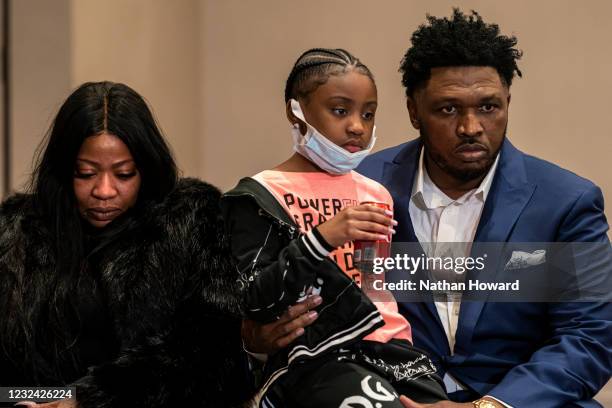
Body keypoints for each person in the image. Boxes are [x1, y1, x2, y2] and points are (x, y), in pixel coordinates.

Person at [355, 9, 612, 408]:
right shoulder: (364, 187)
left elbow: (590, 335)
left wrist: (491, 406)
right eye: (448, 109)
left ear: (507, 102)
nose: (471, 127)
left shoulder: (566, 202)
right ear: (413, 111)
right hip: (391, 396)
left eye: (489, 107)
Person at [0, 81, 252, 408]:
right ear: (63, 171)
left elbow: (214, 353)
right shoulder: (17, 231)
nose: (104, 191)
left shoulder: (190, 217)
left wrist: (88, 399)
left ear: (145, 169)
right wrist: (40, 401)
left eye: (124, 174)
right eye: (86, 173)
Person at [221, 48, 447, 407]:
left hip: (394, 353)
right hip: (317, 355)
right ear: (295, 112)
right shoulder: (258, 195)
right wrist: (323, 237)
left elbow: (374, 288)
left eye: (368, 113)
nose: (357, 125)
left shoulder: (376, 194)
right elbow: (255, 298)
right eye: (340, 110)